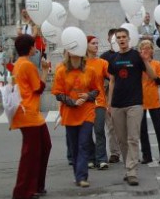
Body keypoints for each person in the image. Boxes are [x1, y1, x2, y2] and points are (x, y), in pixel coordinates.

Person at [108, 27, 158, 186]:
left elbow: (152, 76)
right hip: (117, 104)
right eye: (119, 37)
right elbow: (112, 81)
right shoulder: (114, 59)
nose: (121, 40)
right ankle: (127, 166)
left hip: (135, 103)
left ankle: (132, 170)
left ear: (129, 39)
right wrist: (109, 104)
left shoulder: (136, 56)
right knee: (122, 140)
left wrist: (144, 60)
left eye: (124, 37)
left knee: (133, 138)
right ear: (116, 40)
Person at [10, 34, 52, 199]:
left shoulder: (19, 64)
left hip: (29, 113)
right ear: (29, 48)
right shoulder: (27, 65)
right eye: (34, 46)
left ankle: (36, 186)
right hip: (29, 113)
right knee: (31, 152)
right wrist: (45, 70)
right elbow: (39, 87)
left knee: (43, 147)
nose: (35, 48)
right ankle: (23, 190)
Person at [52, 49, 99, 188]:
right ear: (68, 54)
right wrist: (72, 102)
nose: (75, 54)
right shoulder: (61, 71)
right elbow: (58, 93)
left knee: (84, 143)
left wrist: (87, 96)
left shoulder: (90, 70)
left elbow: (96, 90)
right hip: (70, 113)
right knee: (73, 146)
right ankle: (77, 174)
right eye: (72, 52)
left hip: (87, 112)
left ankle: (82, 177)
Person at [139, 40, 160, 164]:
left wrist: (147, 63)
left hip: (153, 99)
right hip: (140, 99)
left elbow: (158, 81)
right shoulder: (138, 65)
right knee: (142, 129)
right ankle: (147, 155)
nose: (146, 50)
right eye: (143, 48)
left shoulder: (157, 64)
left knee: (158, 127)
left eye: (148, 48)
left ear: (152, 50)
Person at [85, 36, 110, 170]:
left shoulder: (102, 63)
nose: (96, 45)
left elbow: (112, 77)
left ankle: (101, 159)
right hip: (84, 102)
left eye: (97, 43)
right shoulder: (81, 63)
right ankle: (90, 157)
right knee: (87, 132)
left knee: (99, 130)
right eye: (93, 43)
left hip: (99, 101)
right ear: (86, 45)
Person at [100, 29, 121, 163]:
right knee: (110, 124)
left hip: (123, 91)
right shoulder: (104, 56)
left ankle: (120, 150)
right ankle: (114, 152)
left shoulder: (126, 55)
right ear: (109, 40)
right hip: (108, 92)